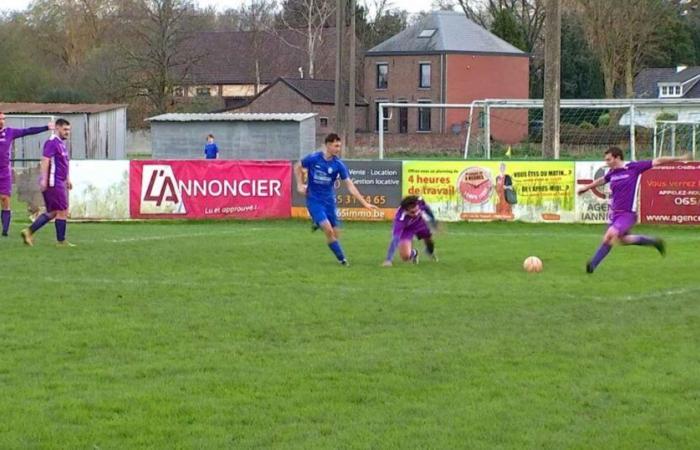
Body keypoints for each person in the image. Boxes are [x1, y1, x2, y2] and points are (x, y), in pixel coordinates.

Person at [577, 146, 690, 273]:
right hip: (614, 214)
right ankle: (653, 242)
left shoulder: (634, 167)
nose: (606, 163)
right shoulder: (612, 172)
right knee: (623, 240)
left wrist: (679, 158)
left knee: (609, 236)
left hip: (627, 214)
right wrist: (587, 187)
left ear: (617, 157)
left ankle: (592, 265)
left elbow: (658, 161)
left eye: (608, 160)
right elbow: (602, 180)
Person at [294, 133, 377, 265]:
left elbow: (350, 186)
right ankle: (342, 260)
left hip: (329, 202)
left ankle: (318, 223)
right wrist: (299, 184)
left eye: (339, 146)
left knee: (335, 235)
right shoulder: (314, 158)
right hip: (314, 199)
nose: (338, 149)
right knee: (328, 230)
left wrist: (364, 203)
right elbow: (298, 166)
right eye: (336, 146)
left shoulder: (338, 164)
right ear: (328, 145)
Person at [21, 118, 74, 247]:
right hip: (53, 181)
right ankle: (61, 241)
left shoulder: (61, 143)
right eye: (65, 129)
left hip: (59, 181)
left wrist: (67, 179)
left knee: (53, 212)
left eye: (68, 130)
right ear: (57, 128)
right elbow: (45, 160)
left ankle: (29, 231)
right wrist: (44, 179)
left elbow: (63, 163)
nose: (67, 132)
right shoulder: (51, 142)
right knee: (62, 210)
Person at [0, 112, 53, 236]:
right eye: (0, 119)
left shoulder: (9, 132)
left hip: (4, 172)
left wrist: (45, 127)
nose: (2, 121)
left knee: (5, 199)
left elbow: (28, 131)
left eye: (3, 119)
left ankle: (5, 231)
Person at [382, 195, 438, 266]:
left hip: (419, 223)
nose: (415, 214)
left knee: (429, 240)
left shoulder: (419, 202)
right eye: (412, 212)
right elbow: (395, 239)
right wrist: (388, 260)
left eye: (416, 211)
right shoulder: (400, 220)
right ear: (405, 210)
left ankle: (430, 252)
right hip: (407, 229)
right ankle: (414, 253)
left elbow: (427, 209)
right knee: (405, 257)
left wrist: (433, 222)